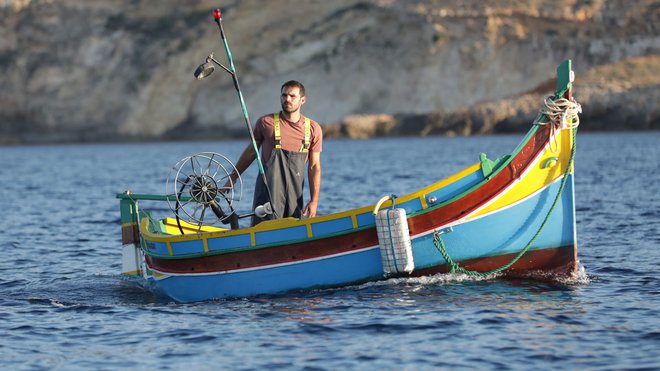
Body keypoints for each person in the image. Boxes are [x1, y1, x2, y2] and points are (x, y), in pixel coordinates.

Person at [227, 80, 322, 225]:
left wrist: (314, 201)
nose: (287, 99)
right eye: (284, 95)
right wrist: (232, 178)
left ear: (302, 100)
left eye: (292, 96)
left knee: (293, 232)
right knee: (262, 231)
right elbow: (251, 153)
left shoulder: (313, 129)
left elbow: (314, 166)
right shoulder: (266, 123)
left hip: (294, 196)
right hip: (266, 194)